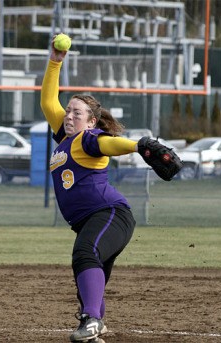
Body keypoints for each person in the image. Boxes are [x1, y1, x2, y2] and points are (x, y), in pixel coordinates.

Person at [41, 38, 141, 342]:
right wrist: (55, 61)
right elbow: (48, 102)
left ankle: (93, 321)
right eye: (69, 110)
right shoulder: (65, 137)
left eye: (77, 113)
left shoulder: (88, 138)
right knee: (87, 273)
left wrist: (139, 146)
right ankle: (93, 328)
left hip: (110, 214)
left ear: (91, 121)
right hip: (90, 220)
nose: (69, 116)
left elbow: (109, 144)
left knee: (85, 253)